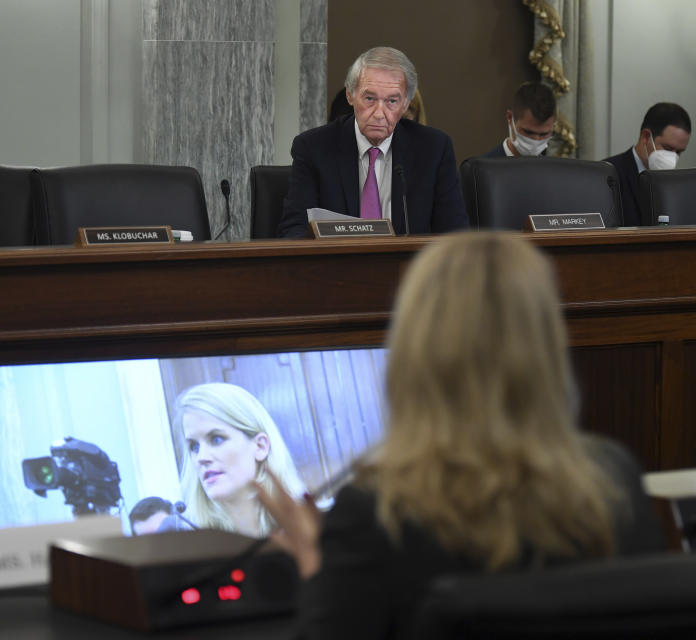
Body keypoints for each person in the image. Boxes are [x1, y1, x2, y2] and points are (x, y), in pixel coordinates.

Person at [258, 232, 665, 639]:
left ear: (412, 352)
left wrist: (314, 565)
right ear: (547, 347)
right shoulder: (614, 479)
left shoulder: (376, 513)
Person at [278, 46, 468, 237]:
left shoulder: (433, 149)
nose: (379, 114)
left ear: (405, 104)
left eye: (391, 102)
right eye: (369, 98)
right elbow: (293, 230)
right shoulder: (314, 147)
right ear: (350, 95)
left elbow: (454, 236)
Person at [172, 382, 305, 538]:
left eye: (216, 439)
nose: (201, 458)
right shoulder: (182, 539)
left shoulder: (314, 527)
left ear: (260, 446)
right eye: (194, 447)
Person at [605, 102, 692, 226]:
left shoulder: (677, 184)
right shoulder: (609, 174)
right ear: (646, 137)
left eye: (679, 152)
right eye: (667, 148)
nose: (673, 158)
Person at [484, 81, 556, 157]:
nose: (536, 141)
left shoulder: (553, 168)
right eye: (528, 132)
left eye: (544, 134)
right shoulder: (481, 167)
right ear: (510, 117)